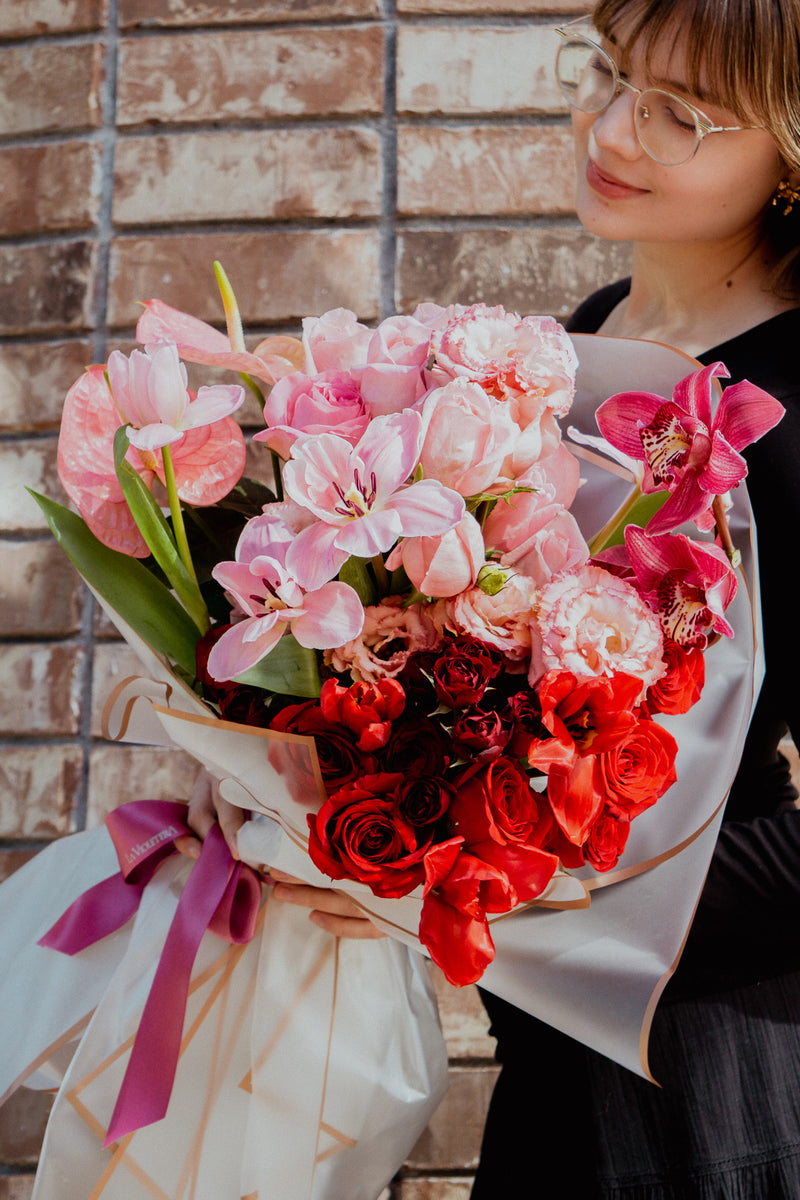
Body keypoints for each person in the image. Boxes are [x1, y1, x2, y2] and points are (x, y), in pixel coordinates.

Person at [182, 0, 800, 1193]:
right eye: (611, 73)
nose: (609, 127)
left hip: (721, 1087)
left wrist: (503, 893)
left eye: (678, 114)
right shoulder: (578, 348)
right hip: (555, 1068)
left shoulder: (785, 415)